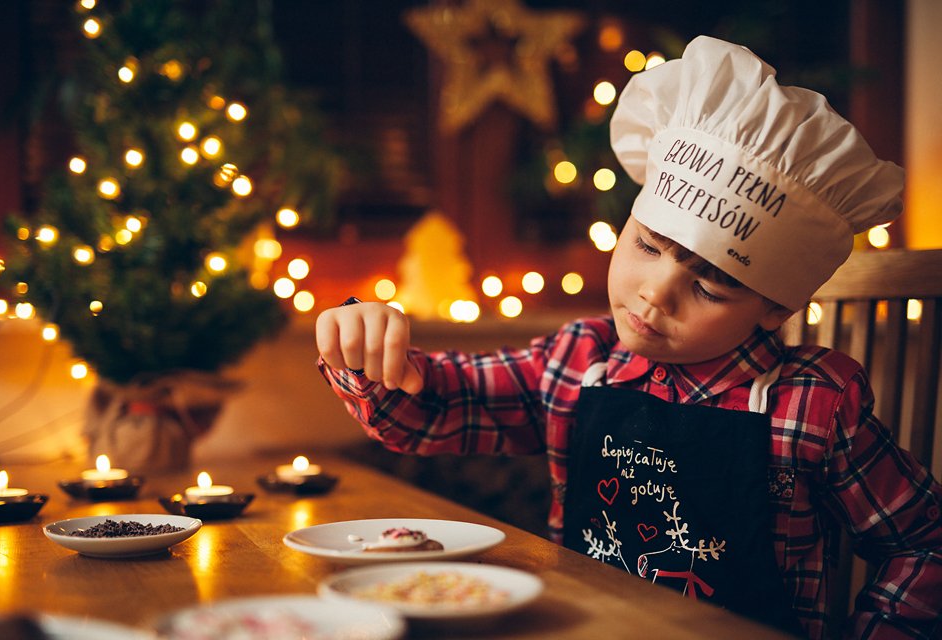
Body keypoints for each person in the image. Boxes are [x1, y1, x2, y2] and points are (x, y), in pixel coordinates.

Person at [315, 36, 941, 639]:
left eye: (711, 287)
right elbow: (433, 408)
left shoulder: (812, 404)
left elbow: (923, 543)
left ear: (773, 308)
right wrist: (364, 348)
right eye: (647, 245)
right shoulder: (576, 362)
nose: (655, 293)